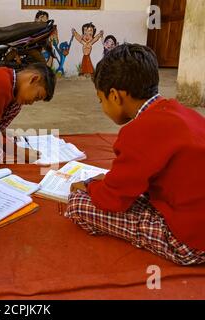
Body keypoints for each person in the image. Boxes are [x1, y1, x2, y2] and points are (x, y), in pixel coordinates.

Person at [65, 43, 205, 265]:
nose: (102, 106)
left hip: (191, 242)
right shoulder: (184, 113)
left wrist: (90, 186)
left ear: (115, 96)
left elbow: (114, 201)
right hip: (194, 214)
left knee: (77, 204)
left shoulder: (137, 132)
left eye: (101, 100)